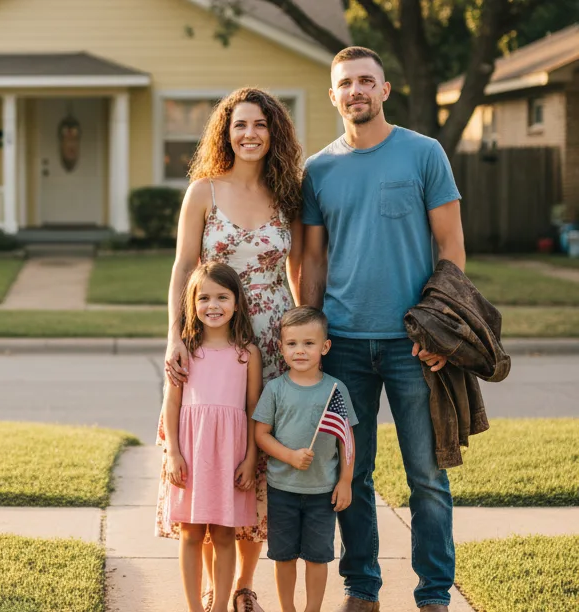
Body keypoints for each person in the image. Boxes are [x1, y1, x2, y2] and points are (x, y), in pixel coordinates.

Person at [299, 46, 467, 612]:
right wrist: (311, 340)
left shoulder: (423, 154)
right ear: (333, 95)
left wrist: (442, 329)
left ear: (385, 90)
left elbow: (451, 247)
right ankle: (362, 588)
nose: (356, 92)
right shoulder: (318, 170)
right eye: (345, 84)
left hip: (413, 345)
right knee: (352, 471)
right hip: (343, 343)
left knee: (426, 475)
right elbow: (314, 262)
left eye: (366, 81)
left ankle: (434, 594)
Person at [159, 87, 305, 611]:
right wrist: (176, 335)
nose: (250, 134)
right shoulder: (203, 191)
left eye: (261, 125)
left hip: (269, 341)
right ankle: (206, 587)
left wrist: (304, 342)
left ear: (274, 133)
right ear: (226, 132)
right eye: (240, 124)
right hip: (209, 339)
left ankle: (242, 585)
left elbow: (300, 273)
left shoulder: (289, 195)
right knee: (207, 455)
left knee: (255, 463)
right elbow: (182, 269)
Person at [162, 261, 262, 612]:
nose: (213, 305)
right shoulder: (184, 350)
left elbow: (254, 409)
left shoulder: (247, 353)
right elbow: (171, 404)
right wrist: (172, 452)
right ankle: (194, 607)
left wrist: (251, 458)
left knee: (223, 533)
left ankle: (220, 605)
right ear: (191, 303)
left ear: (237, 302)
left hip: (230, 456)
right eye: (203, 297)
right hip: (191, 452)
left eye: (222, 296)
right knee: (190, 532)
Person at [253, 306, 357, 612]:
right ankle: (288, 609)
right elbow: (261, 434)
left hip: (322, 491)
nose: (300, 351)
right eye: (292, 344)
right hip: (282, 488)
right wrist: (289, 456)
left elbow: (346, 441)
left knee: (317, 556)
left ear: (324, 347)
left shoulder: (336, 390)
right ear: (281, 347)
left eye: (309, 343)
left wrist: (346, 481)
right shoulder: (275, 389)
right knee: (283, 556)